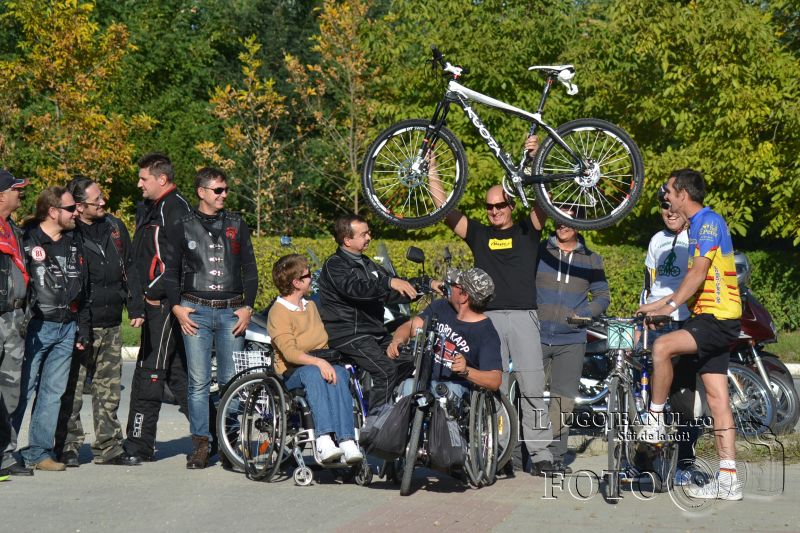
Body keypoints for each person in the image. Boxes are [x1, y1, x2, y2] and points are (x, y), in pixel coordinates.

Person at [429, 136, 554, 475]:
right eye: (489, 207)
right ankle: (496, 452)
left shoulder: (528, 230)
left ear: (511, 206)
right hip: (488, 320)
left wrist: (537, 155)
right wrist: (432, 170)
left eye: (500, 206)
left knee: (532, 387)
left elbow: (545, 197)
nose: (495, 211)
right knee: (491, 387)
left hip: (524, 317)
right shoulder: (479, 234)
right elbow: (444, 209)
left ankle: (541, 454)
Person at [637, 168, 743, 501]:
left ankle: (655, 419)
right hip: (715, 317)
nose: (665, 197)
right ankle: (729, 479)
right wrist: (657, 304)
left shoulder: (707, 222)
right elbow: (691, 279)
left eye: (668, 191)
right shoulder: (697, 225)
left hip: (716, 317)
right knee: (717, 398)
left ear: (683, 194)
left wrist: (668, 306)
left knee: (663, 347)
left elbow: (698, 272)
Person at [164, 167, 258, 469]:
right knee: (198, 382)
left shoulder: (237, 223)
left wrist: (248, 306)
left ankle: (230, 444)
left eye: (226, 189)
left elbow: (250, 268)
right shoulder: (181, 225)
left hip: (232, 311)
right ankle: (201, 444)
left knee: (232, 381)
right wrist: (176, 307)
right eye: (218, 190)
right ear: (201, 192)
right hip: (196, 310)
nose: (224, 195)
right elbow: (170, 271)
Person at [53, 177, 135, 467]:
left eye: (101, 196)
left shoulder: (114, 227)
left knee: (108, 391)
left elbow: (131, 266)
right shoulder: (69, 233)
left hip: (111, 322)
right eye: (96, 199)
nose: (103, 202)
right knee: (72, 391)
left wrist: (134, 306)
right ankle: (68, 446)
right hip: (80, 324)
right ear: (79, 205)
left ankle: (109, 447)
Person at [12, 186, 91, 471]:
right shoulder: (26, 239)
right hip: (35, 326)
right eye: (70, 208)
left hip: (66, 326)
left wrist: (82, 327)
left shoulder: (74, 241)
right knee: (21, 391)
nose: (76, 212)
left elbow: (85, 288)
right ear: (53, 211)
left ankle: (39, 453)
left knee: (52, 393)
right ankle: (5, 453)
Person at [121, 153, 192, 463]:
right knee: (176, 374)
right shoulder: (153, 207)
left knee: (150, 372)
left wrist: (153, 293)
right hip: (155, 303)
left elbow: (178, 261)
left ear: (162, 179)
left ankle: (139, 445)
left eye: (143, 178)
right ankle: (215, 435)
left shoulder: (175, 209)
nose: (139, 184)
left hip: (164, 304)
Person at [317, 214, 419, 411]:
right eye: (363, 234)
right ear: (347, 240)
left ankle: (385, 405)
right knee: (386, 371)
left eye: (369, 233)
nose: (369, 237)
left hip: (374, 333)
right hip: (350, 334)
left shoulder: (367, 263)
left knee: (412, 360)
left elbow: (389, 293)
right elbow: (356, 289)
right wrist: (388, 282)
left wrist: (423, 287)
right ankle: (376, 423)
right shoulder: (335, 265)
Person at [267, 254, 363, 464]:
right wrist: (319, 362)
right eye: (308, 274)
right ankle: (324, 439)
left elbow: (322, 342)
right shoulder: (278, 312)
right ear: (296, 282)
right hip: (292, 370)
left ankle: (347, 440)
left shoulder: (310, 306)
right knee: (313, 374)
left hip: (317, 362)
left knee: (340, 373)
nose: (311, 278)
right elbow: (290, 353)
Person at [536, 215, 609, 475]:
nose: (562, 224)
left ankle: (556, 456)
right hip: (536, 335)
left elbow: (602, 297)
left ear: (580, 223)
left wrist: (585, 314)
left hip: (572, 339)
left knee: (563, 401)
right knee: (528, 396)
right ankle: (522, 454)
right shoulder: (539, 251)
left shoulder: (591, 259)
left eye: (568, 219)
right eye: (558, 217)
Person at [388, 267, 503, 398]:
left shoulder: (486, 332)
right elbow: (410, 326)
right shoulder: (441, 307)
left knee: (450, 391)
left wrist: (466, 371)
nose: (448, 286)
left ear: (464, 296)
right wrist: (398, 340)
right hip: (425, 382)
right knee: (408, 385)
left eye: (454, 285)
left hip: (456, 389)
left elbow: (495, 380)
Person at [0, 170, 33, 477]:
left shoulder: (15, 230)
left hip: (14, 317)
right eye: (16, 189)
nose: (21, 194)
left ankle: (5, 453)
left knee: (10, 389)